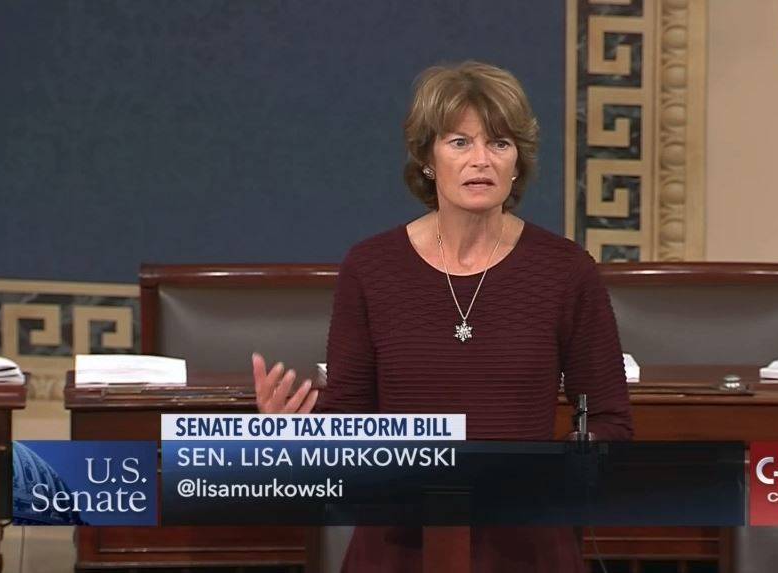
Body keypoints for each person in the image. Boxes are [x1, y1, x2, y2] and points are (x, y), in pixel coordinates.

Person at [253, 60, 632, 573]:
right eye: (460, 143)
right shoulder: (371, 267)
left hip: (524, 543)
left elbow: (610, 419)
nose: (482, 160)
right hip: (399, 541)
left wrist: (565, 465)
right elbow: (351, 419)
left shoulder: (566, 270)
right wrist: (295, 437)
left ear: (518, 161)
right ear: (427, 158)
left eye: (499, 143)